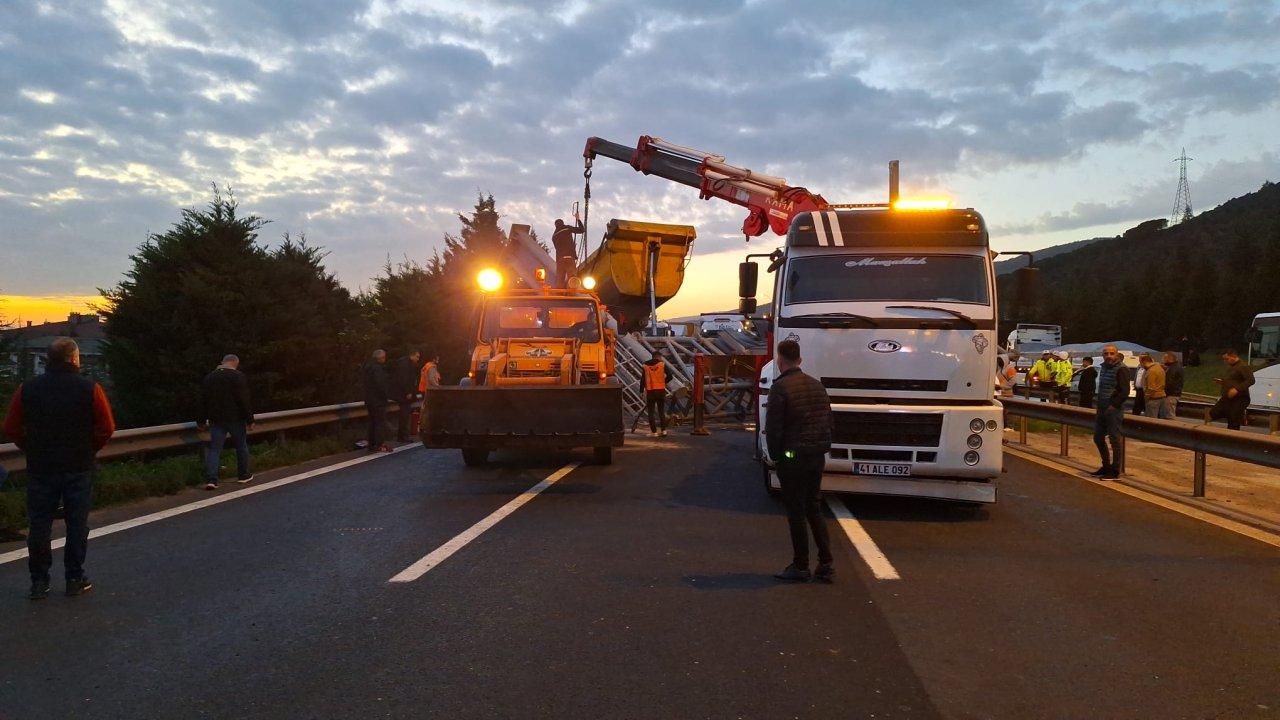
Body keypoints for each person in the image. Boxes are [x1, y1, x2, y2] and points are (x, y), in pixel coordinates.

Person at [2, 338, 115, 599]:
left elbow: (11, 427)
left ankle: (39, 582)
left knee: (39, 524)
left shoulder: (27, 389)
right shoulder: (90, 388)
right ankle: (74, 577)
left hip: (41, 466)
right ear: (74, 359)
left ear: (49, 360)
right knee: (77, 523)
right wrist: (90, 448)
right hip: (78, 465)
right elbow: (106, 427)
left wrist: (29, 446)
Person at [765, 340, 835, 583]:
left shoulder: (780, 388)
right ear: (800, 360)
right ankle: (826, 563)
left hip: (792, 457)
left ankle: (800, 565)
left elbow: (773, 429)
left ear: (780, 360)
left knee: (796, 511)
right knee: (813, 507)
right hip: (815, 456)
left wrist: (775, 456)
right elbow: (828, 421)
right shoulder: (817, 386)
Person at [198, 354, 255, 490]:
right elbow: (243, 399)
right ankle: (243, 475)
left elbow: (203, 400)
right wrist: (250, 419)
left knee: (215, 449)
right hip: (235, 418)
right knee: (241, 446)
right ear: (235, 363)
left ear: (223, 362)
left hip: (216, 419)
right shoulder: (238, 376)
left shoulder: (209, 377)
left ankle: (212, 479)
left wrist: (200, 420)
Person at [1091, 346, 1130, 480]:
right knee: (1097, 437)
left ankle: (1115, 470)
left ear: (1117, 354)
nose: (1108, 356)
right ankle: (1106, 466)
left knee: (1114, 440)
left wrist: (1114, 406)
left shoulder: (1121, 369)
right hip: (1102, 408)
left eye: (1111, 353)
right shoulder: (1104, 368)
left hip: (1113, 410)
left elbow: (1125, 391)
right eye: (1106, 353)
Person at [1209, 348, 1254, 430]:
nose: (1225, 361)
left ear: (1233, 356)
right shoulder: (1231, 367)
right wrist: (1222, 382)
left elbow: (1251, 380)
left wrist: (1237, 389)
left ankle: (1233, 435)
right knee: (1213, 412)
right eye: (1224, 359)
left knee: (1233, 420)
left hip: (1240, 397)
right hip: (1228, 397)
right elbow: (1233, 380)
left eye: (1226, 359)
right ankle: (1234, 415)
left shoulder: (1243, 366)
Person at [362, 349, 392, 452]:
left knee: (372, 422)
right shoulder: (377, 369)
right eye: (384, 357)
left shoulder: (367, 367)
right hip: (378, 400)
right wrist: (386, 395)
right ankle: (379, 444)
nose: (385, 359)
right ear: (380, 358)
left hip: (369, 399)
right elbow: (381, 385)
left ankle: (371, 444)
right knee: (380, 422)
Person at [391, 350, 421, 442]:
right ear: (412, 355)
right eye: (417, 357)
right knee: (404, 415)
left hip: (403, 393)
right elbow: (404, 379)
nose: (418, 359)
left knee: (405, 415)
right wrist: (408, 391)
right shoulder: (405, 364)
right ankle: (403, 436)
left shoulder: (406, 363)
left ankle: (402, 436)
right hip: (403, 395)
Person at [550, 218, 585, 288]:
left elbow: (559, 247)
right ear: (562, 223)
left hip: (560, 260)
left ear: (555, 225)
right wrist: (578, 219)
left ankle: (559, 295)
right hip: (569, 257)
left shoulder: (554, 236)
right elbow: (582, 230)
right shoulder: (566, 228)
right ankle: (572, 294)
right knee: (572, 279)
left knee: (560, 280)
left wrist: (571, 246)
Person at [642, 354, 669, 436]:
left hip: (650, 391)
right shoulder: (662, 364)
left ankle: (654, 432)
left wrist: (641, 390)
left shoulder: (645, 366)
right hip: (660, 390)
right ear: (659, 357)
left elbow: (642, 379)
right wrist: (664, 382)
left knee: (651, 412)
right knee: (661, 411)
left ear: (652, 356)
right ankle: (663, 431)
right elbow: (670, 376)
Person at [1139, 353, 1165, 419]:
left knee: (1150, 418)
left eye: (1140, 362)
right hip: (1160, 396)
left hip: (1153, 398)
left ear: (1144, 362)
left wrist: (1146, 397)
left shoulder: (1151, 371)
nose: (1141, 365)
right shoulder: (1159, 368)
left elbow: (1151, 388)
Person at [1161, 352, 1184, 419]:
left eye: (1164, 358)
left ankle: (1171, 428)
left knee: (1170, 416)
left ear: (1169, 359)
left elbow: (1169, 382)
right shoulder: (1176, 366)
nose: (1163, 360)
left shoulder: (1173, 369)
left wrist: (1163, 391)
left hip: (1171, 395)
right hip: (1174, 393)